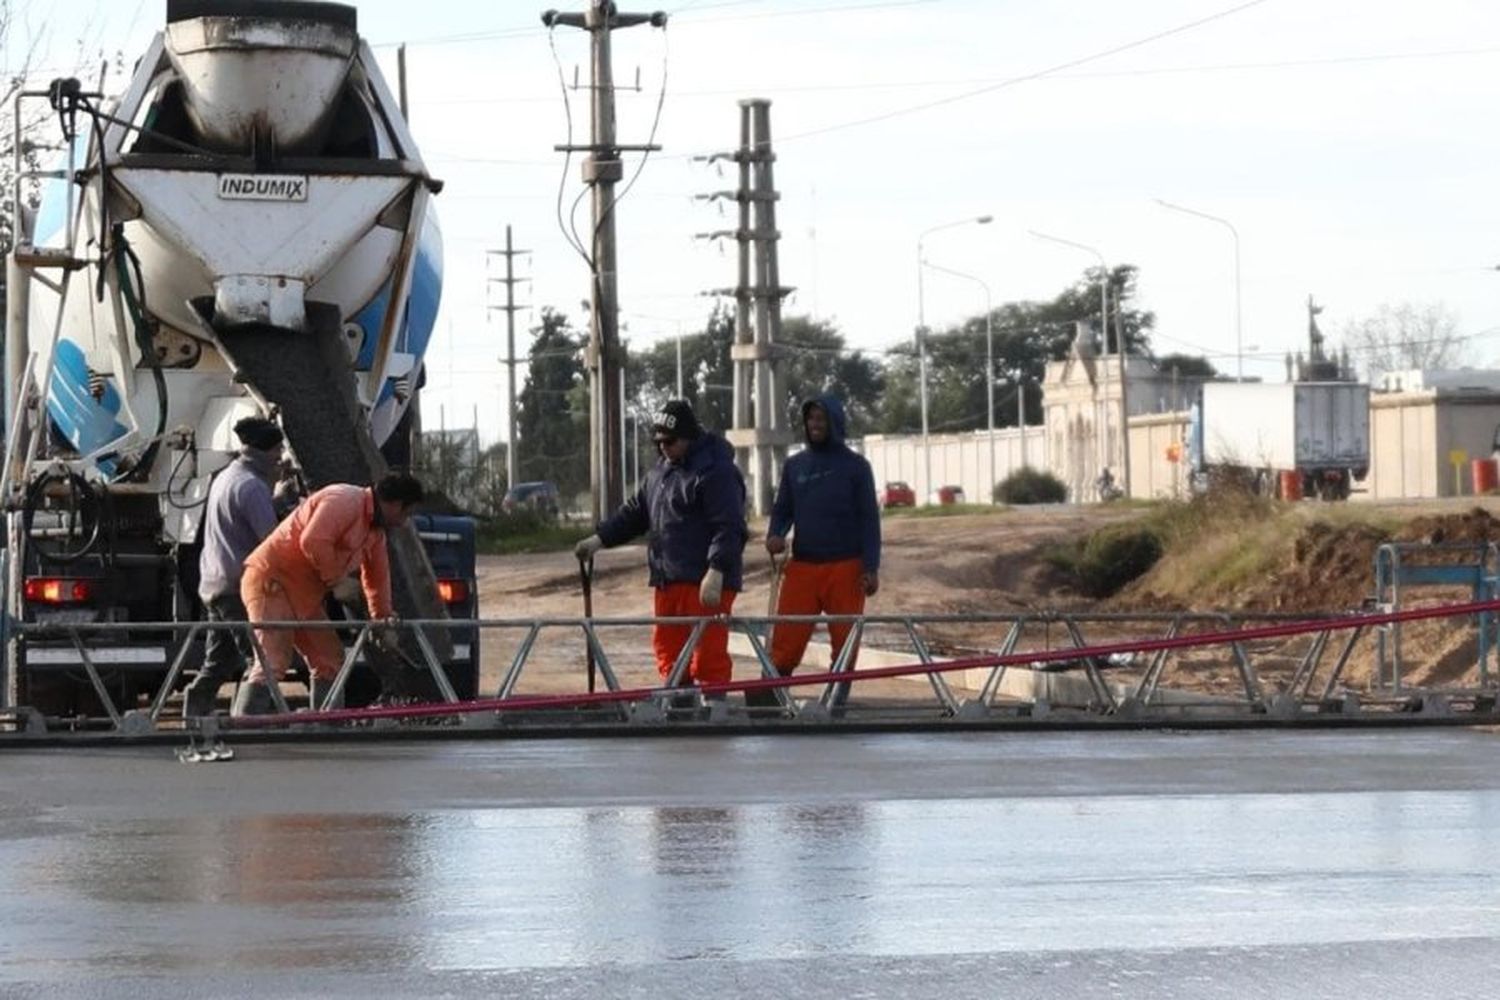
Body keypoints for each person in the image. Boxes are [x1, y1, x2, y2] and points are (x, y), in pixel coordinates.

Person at [575, 399, 747, 687]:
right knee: (669, 652)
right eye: (659, 442)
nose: (664, 447)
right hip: (668, 580)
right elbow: (634, 513)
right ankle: (678, 704)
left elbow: (729, 526)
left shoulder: (716, 472)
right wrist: (599, 539)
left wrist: (717, 569)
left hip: (704, 582)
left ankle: (712, 708)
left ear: (688, 437)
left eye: (670, 441)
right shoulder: (660, 474)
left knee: (708, 654)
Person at [232, 471, 424, 716]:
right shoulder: (344, 500)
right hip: (272, 582)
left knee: (329, 658)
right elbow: (313, 540)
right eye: (406, 513)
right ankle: (245, 728)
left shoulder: (375, 533)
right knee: (273, 661)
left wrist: (382, 619)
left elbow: (377, 579)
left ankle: (324, 726)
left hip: (303, 594)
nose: (405, 521)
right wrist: (337, 580)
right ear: (395, 504)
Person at [763, 395, 881, 690]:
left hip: (846, 567)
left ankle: (836, 699)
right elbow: (782, 510)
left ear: (835, 423)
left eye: (821, 419)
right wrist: (775, 534)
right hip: (803, 565)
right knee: (786, 639)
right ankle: (773, 696)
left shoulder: (856, 467)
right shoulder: (795, 466)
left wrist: (871, 566)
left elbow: (869, 520)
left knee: (845, 641)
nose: (815, 424)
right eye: (811, 419)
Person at [182, 416, 284, 718]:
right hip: (238, 586)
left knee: (218, 662)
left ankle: (194, 715)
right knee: (261, 661)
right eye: (277, 451)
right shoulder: (252, 487)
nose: (281, 458)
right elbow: (270, 540)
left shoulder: (227, 476)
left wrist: (276, 500)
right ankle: (248, 721)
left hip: (214, 583)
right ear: (264, 452)